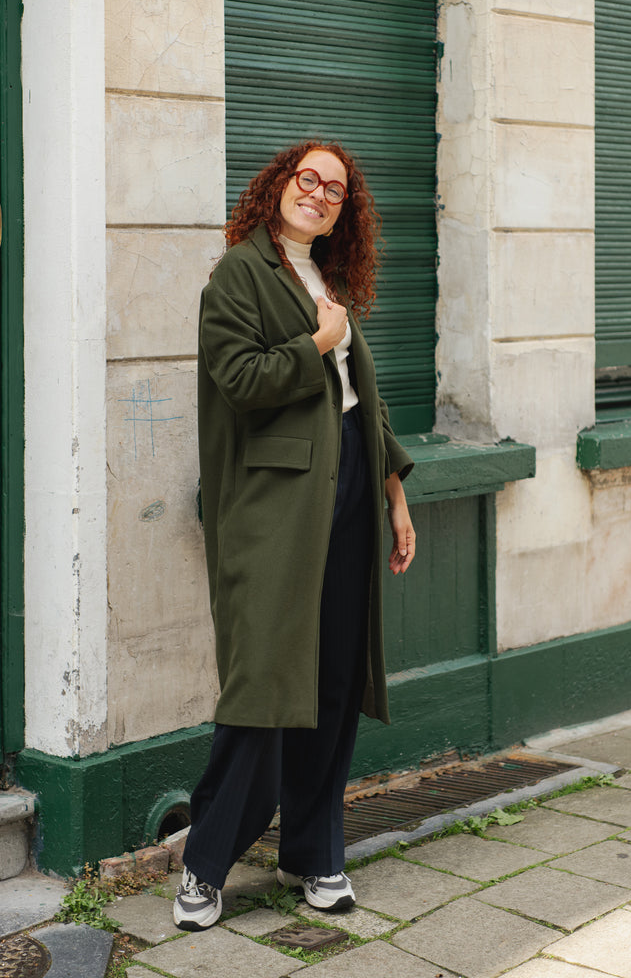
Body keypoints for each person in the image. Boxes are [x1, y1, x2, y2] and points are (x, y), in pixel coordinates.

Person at [173, 139, 416, 932]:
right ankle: (205, 864)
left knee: (333, 677)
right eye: (306, 178)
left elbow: (363, 398)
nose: (317, 193)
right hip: (274, 502)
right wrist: (315, 342)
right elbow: (239, 381)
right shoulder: (238, 275)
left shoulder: (328, 279)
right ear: (278, 185)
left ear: (343, 213)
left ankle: (313, 854)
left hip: (350, 485)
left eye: (334, 189)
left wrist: (395, 494)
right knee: (264, 681)